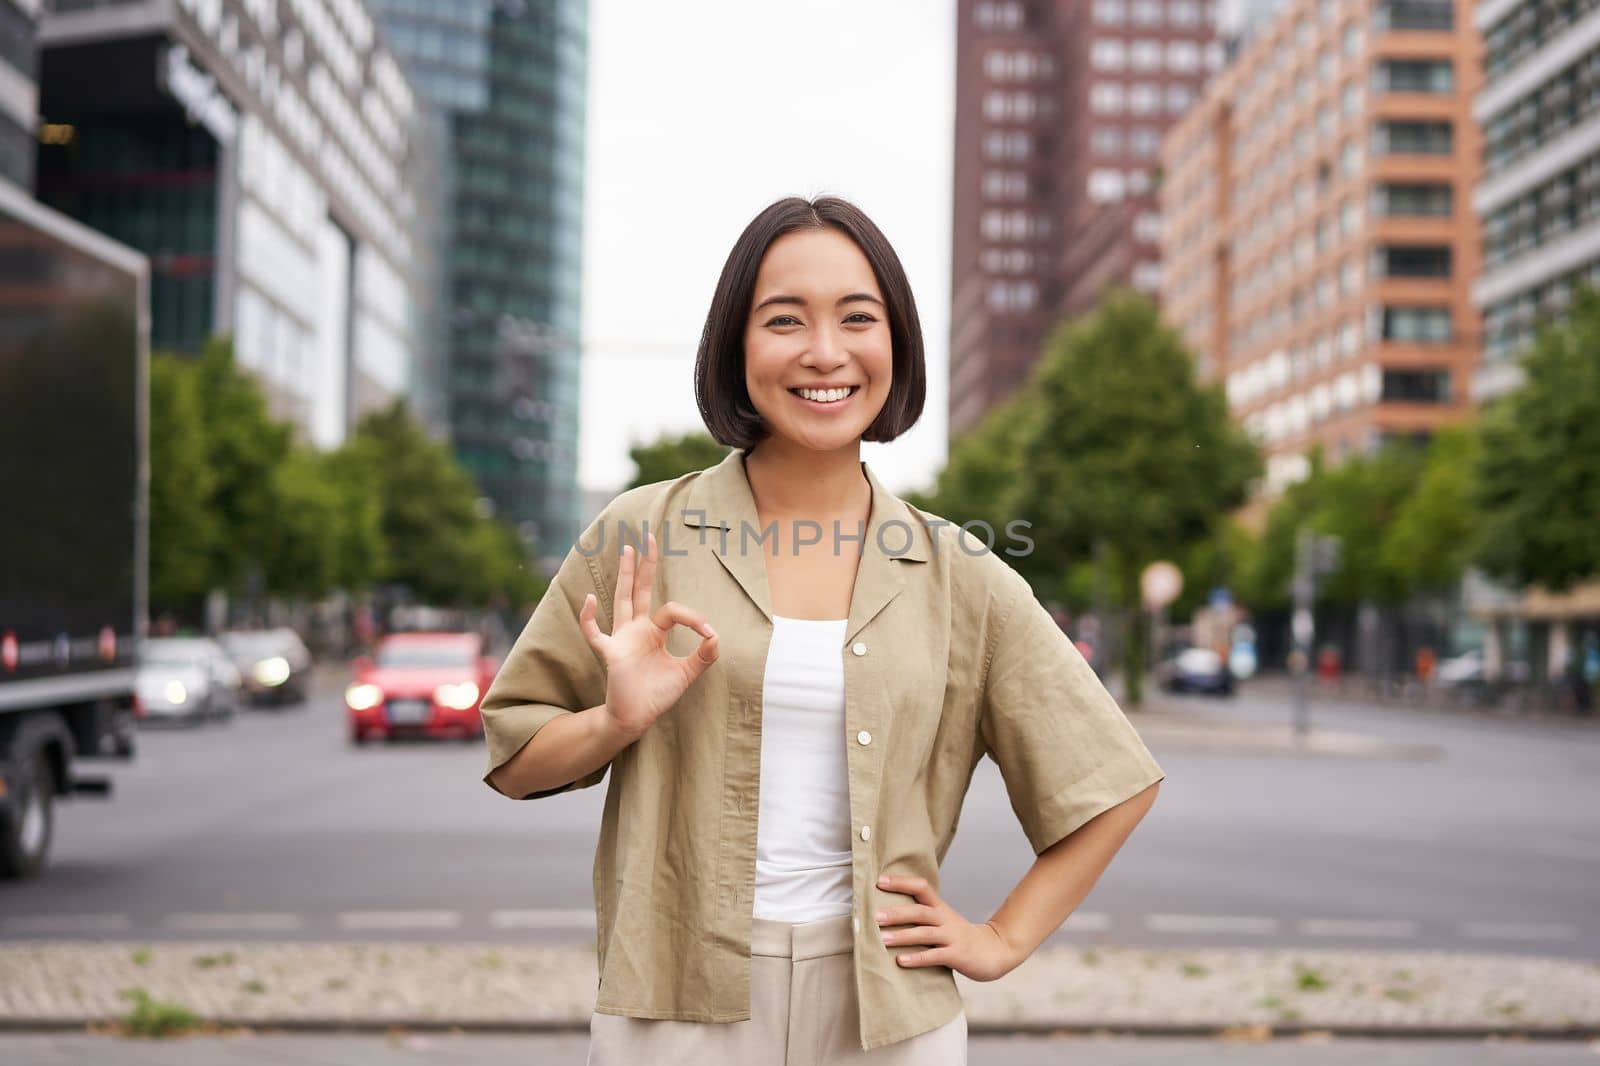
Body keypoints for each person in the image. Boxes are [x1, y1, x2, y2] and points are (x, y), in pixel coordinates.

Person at [480, 195, 1165, 1065]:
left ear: (896, 345)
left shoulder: (964, 575)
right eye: (785, 320)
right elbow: (513, 752)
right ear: (738, 346)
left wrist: (1000, 939)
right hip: (679, 1005)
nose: (825, 352)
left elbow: (1113, 780)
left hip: (886, 1014)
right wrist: (615, 721)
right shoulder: (640, 535)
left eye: (857, 318)